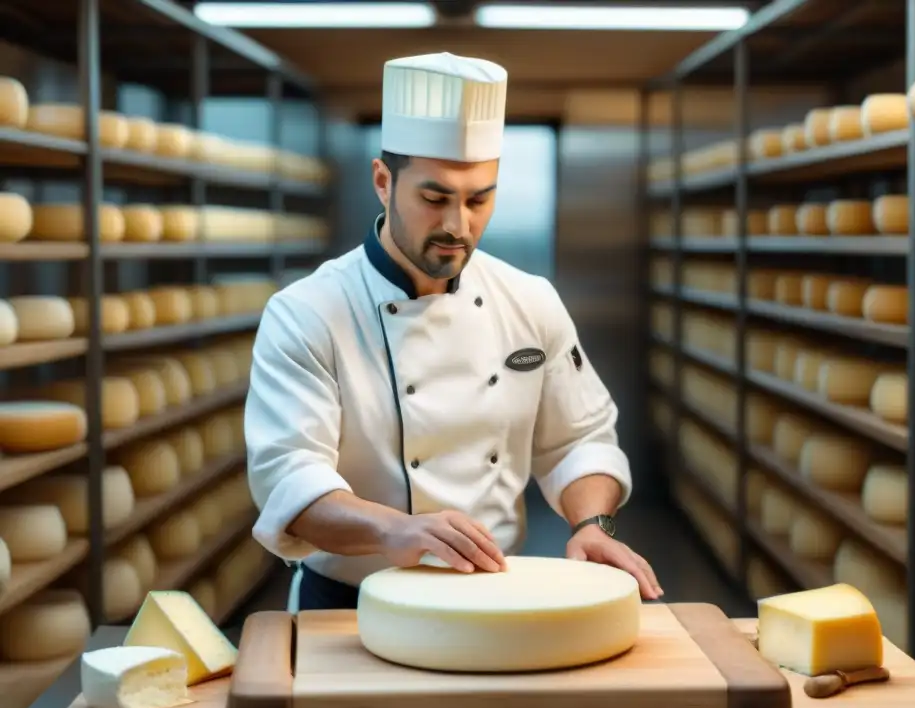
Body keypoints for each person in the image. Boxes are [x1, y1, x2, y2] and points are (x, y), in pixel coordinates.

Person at [244, 51, 662, 611]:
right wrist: (394, 531)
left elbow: (579, 439)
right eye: (434, 198)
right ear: (383, 182)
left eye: (478, 200)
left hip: (492, 600)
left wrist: (593, 522)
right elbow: (289, 482)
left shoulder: (530, 301)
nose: (456, 226)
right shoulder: (308, 312)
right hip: (349, 607)